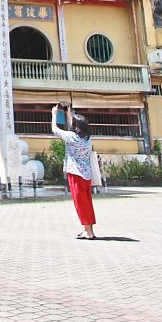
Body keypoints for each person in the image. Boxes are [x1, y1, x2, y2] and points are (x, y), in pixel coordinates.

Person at [51, 101, 97, 239]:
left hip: (75, 173)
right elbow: (75, 126)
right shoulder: (87, 138)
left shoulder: (72, 137)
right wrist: (69, 113)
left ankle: (88, 232)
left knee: (80, 203)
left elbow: (55, 129)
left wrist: (54, 115)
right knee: (87, 202)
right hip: (86, 175)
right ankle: (89, 230)